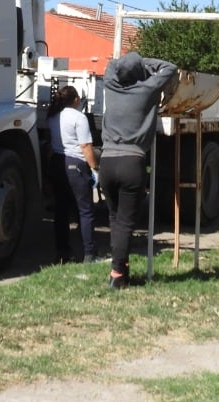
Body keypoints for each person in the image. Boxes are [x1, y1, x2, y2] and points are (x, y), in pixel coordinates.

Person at [97, 52, 179, 289]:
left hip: (107, 162)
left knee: (115, 220)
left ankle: (121, 268)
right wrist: (144, 63)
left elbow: (111, 64)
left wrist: (130, 64)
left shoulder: (111, 86)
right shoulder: (147, 89)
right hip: (132, 162)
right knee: (125, 223)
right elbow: (170, 66)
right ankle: (117, 274)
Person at [44, 84, 97, 264]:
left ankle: (62, 253)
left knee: (61, 211)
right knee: (85, 211)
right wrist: (94, 168)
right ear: (76, 100)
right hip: (76, 164)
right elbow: (85, 146)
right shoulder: (79, 117)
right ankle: (89, 254)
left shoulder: (53, 117)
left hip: (58, 163)